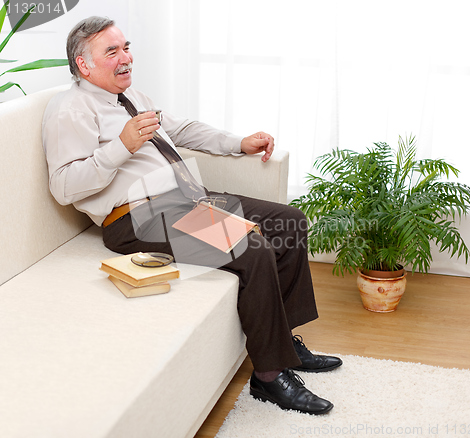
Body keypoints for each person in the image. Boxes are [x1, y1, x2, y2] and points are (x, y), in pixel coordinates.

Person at [42, 16, 342, 415]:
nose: (126, 57)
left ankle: (284, 342)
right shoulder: (69, 108)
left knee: (290, 222)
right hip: (140, 215)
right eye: (111, 51)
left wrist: (239, 143)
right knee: (251, 248)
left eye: (126, 47)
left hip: (186, 198)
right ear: (83, 65)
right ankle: (269, 377)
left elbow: (180, 130)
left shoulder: (131, 97)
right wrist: (122, 145)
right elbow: (64, 187)